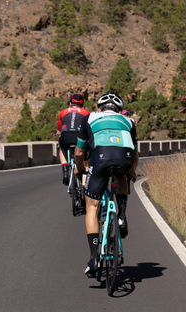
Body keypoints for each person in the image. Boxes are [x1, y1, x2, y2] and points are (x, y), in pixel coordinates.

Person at [74, 90, 138, 277]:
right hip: (124, 158)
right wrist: (132, 171)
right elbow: (135, 153)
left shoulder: (90, 117)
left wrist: (80, 169)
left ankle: (94, 257)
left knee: (92, 207)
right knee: (121, 175)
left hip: (100, 159)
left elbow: (78, 153)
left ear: (100, 107)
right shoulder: (129, 121)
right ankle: (122, 215)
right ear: (118, 108)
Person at [57, 94, 90, 185]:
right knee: (85, 163)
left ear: (70, 103)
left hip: (66, 136)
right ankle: (84, 185)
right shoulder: (87, 112)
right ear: (82, 104)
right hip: (80, 138)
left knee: (62, 148)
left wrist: (59, 142)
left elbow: (58, 132)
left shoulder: (63, 112)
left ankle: (65, 171)